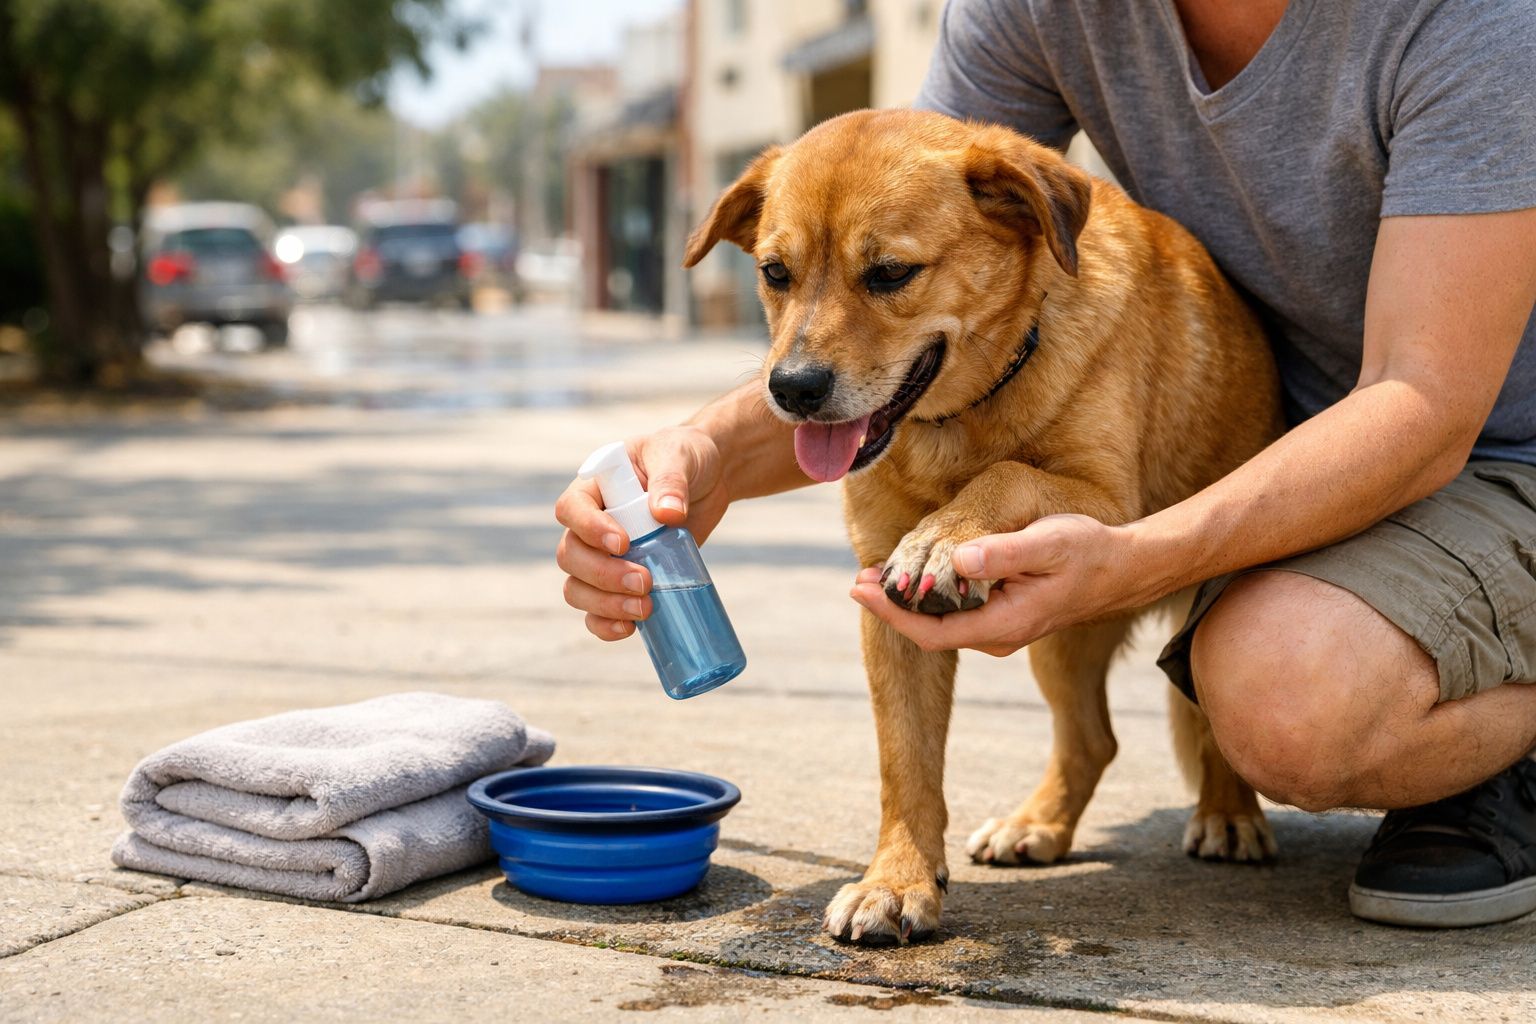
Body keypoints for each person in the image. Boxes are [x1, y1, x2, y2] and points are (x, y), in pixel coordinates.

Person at [556, 0, 1536, 927]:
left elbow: (1424, 401)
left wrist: (1136, 562)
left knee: (1281, 699)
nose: (801, 347)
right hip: (1313, 435)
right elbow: (900, 194)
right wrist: (706, 453)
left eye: (889, 281)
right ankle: (919, 837)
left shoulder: (1472, 23)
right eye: (774, 277)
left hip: (1496, 447)